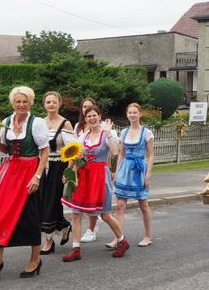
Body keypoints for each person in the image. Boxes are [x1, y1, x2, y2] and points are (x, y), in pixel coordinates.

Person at [0, 86, 49, 278]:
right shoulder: (7, 122)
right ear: (13, 103)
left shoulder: (37, 123)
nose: (22, 105)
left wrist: (37, 175)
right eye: (18, 101)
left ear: (31, 103)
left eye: (25, 101)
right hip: (9, 172)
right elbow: (6, 149)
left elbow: (44, 151)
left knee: (30, 214)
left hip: (30, 171)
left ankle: (35, 259)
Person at [61, 105, 130, 260]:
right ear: (85, 119)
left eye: (94, 115)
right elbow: (76, 155)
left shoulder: (107, 134)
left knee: (105, 214)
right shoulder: (83, 136)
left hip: (100, 176)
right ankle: (76, 249)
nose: (92, 118)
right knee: (76, 213)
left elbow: (114, 152)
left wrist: (108, 134)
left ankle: (121, 240)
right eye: (89, 116)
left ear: (99, 117)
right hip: (84, 176)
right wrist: (69, 172)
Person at [108, 103, 154, 247]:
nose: (132, 115)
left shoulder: (147, 133)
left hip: (139, 170)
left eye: (135, 112)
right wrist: (117, 172)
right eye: (130, 113)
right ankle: (118, 238)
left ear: (140, 114)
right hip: (125, 170)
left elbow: (151, 155)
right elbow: (121, 153)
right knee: (120, 205)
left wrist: (148, 175)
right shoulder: (124, 132)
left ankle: (147, 236)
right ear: (127, 115)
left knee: (143, 204)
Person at [40, 91, 76, 254]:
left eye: (54, 102)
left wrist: (68, 171)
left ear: (59, 103)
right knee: (44, 203)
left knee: (51, 203)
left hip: (58, 166)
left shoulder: (65, 124)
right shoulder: (39, 123)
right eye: (48, 102)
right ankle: (64, 225)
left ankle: (48, 241)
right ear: (44, 104)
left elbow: (74, 150)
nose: (51, 105)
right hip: (42, 166)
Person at [74, 97, 104, 243]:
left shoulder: (102, 128)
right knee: (82, 201)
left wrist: (108, 170)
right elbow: (76, 150)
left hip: (97, 168)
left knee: (93, 201)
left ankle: (91, 230)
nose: (87, 109)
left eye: (89, 107)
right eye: (84, 107)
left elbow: (107, 153)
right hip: (82, 167)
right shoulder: (79, 127)